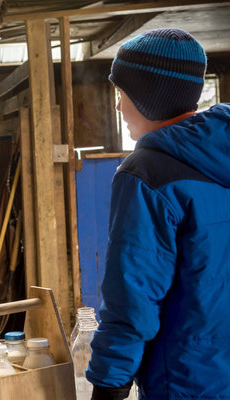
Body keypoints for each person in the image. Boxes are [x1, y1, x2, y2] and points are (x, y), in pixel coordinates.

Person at [86, 28, 230, 399]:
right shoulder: (220, 153)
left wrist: (109, 386)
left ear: (149, 97)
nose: (118, 106)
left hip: (185, 381)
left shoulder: (147, 173)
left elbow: (132, 301)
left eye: (122, 94)